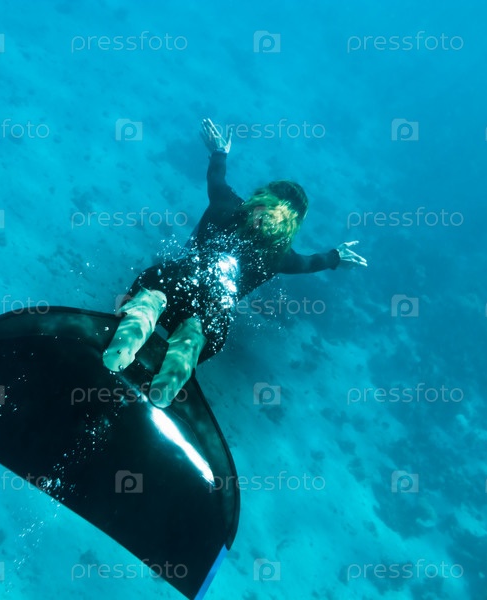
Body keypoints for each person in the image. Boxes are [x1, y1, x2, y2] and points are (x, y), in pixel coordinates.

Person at [103, 118, 367, 408]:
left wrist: (220, 151)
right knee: (197, 330)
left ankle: (139, 321)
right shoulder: (281, 256)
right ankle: (174, 370)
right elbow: (310, 263)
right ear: (294, 223)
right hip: (214, 314)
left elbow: (216, 176)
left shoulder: (225, 202)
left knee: (155, 293)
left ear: (264, 193)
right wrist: (336, 257)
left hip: (177, 281)